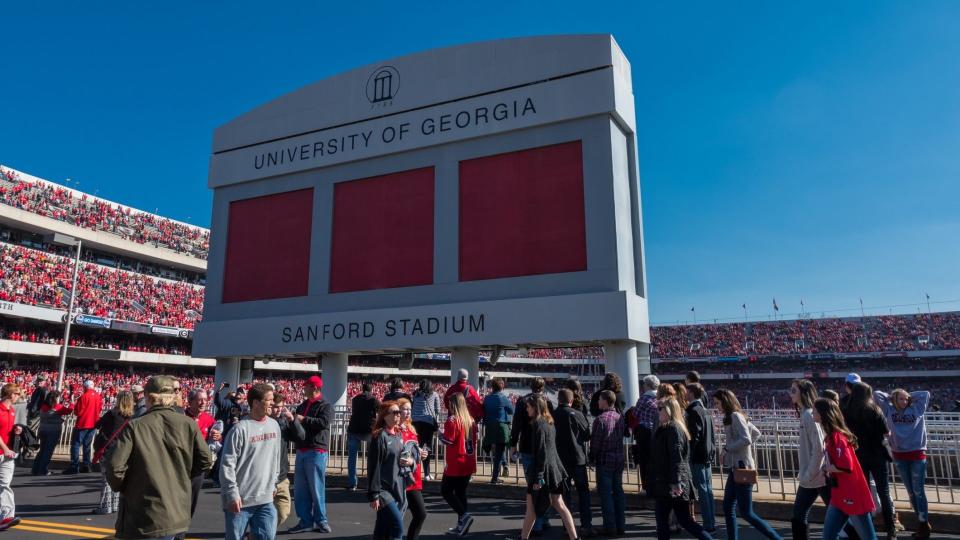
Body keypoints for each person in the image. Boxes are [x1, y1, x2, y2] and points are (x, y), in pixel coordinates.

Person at [105, 375, 213, 539]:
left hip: (143, 512)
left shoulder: (136, 426)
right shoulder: (188, 424)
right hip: (175, 512)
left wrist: (127, 486)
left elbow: (114, 468)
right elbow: (206, 461)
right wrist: (182, 477)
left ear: (149, 397)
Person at [713, 389, 782, 540]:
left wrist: (727, 449)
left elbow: (746, 439)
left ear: (725, 401)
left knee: (746, 512)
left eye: (718, 403)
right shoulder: (738, 415)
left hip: (742, 468)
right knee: (728, 506)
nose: (717, 406)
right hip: (738, 467)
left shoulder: (735, 416)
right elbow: (755, 433)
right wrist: (743, 453)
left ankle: (777, 538)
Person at [219, 383, 283, 540]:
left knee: (267, 536)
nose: (273, 403)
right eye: (269, 400)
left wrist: (274, 482)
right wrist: (232, 494)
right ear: (255, 402)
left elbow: (276, 457)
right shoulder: (240, 429)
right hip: (241, 500)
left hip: (265, 499)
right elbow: (227, 465)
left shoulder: (274, 425)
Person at [517, 394, 580, 540]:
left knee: (531, 508)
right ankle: (574, 537)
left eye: (528, 406)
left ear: (535, 407)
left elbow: (541, 452)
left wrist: (538, 478)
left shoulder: (538, 425)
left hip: (542, 471)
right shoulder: (549, 422)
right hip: (554, 470)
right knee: (560, 505)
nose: (526, 409)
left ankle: (523, 537)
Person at [650, 397, 713, 540]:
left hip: (670, 483)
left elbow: (676, 456)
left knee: (664, 521)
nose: (658, 411)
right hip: (670, 481)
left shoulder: (673, 428)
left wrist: (676, 482)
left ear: (669, 410)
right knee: (683, 520)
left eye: (660, 408)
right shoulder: (671, 427)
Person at [815, 397, 877, 540]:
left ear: (824, 414)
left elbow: (846, 465)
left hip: (852, 493)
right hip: (839, 493)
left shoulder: (837, 437)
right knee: (828, 536)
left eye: (815, 411)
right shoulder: (831, 437)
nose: (813, 413)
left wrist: (829, 468)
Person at [874, 386, 931, 538]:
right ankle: (921, 522)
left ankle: (924, 523)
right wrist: (893, 396)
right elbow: (876, 394)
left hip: (917, 454)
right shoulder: (888, 410)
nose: (905, 401)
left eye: (906, 399)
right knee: (911, 493)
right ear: (894, 400)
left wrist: (906, 394)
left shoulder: (917, 409)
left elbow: (925, 394)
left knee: (919, 491)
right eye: (901, 399)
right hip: (899, 455)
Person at [843, 382, 896, 539]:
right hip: (878, 455)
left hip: (859, 456)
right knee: (883, 492)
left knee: (863, 493)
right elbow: (886, 433)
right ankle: (891, 530)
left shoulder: (847, 411)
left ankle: (867, 528)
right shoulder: (875, 410)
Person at [289, 375, 334, 534]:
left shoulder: (325, 405)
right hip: (302, 449)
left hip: (316, 450)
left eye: (307, 386)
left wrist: (302, 419)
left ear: (314, 388)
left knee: (316, 488)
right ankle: (306, 520)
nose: (304, 388)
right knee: (300, 490)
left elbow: (323, 423)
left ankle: (321, 520)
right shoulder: (303, 405)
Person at [510, 377, 555, 535]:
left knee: (533, 485)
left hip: (528, 446)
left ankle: (537, 524)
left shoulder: (523, 402)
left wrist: (513, 444)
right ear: (543, 387)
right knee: (543, 483)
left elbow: (516, 425)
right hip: (544, 448)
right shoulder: (547, 402)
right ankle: (545, 518)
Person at [788, 379, 828, 540]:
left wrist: (809, 474)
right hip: (815, 475)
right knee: (799, 514)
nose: (791, 394)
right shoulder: (807, 414)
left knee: (838, 516)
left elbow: (819, 447)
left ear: (803, 393)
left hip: (817, 476)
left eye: (793, 390)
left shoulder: (809, 415)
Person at [367, 401, 410, 540]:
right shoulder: (379, 436)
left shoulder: (398, 435)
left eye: (399, 412)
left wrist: (411, 461)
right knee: (398, 526)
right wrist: (374, 494)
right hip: (383, 490)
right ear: (385, 416)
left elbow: (403, 457)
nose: (398, 415)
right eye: (395, 413)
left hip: (395, 486)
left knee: (382, 528)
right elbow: (374, 466)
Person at [554, 388, 593, 537]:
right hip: (578, 458)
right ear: (571, 401)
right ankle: (586, 525)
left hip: (560, 460)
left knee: (565, 495)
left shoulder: (553, 415)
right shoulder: (578, 414)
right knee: (583, 493)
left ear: (558, 400)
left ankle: (567, 526)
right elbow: (587, 435)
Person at [589, 390, 626, 536]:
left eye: (599, 399)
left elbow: (596, 444)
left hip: (605, 460)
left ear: (605, 401)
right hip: (618, 459)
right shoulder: (619, 417)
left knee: (606, 495)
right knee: (618, 492)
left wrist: (592, 457)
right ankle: (620, 525)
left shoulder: (600, 419)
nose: (598, 402)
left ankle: (610, 526)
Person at [440, 392, 478, 536]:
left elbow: (448, 441)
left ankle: (464, 516)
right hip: (468, 461)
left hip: (456, 461)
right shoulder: (471, 420)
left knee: (446, 491)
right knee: (461, 493)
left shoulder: (453, 420)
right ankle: (462, 525)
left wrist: (440, 435)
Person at [93, 390, 134, 515]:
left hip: (108, 449)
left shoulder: (111, 414)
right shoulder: (132, 417)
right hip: (122, 451)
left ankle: (105, 506)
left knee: (106, 479)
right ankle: (115, 505)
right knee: (116, 478)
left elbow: (97, 424)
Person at [184, 388, 219, 530]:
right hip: (181, 466)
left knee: (192, 501)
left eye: (205, 399)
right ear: (190, 401)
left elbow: (215, 436)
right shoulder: (181, 416)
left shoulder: (209, 419)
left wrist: (218, 436)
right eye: (200, 399)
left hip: (198, 468)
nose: (203, 402)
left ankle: (183, 529)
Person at [685, 383, 715, 533]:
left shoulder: (694, 410)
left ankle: (708, 524)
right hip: (707, 455)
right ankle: (711, 523)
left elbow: (694, 436)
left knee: (702, 490)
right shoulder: (705, 410)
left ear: (691, 393)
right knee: (708, 490)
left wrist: (688, 452)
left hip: (698, 456)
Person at [397, 398, 429, 540]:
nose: (408, 411)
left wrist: (422, 453)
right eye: (405, 408)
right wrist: (408, 460)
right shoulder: (395, 430)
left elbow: (414, 451)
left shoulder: (411, 428)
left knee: (420, 514)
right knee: (396, 516)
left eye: (410, 409)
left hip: (413, 478)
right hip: (401, 479)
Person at [270, 392, 300, 529]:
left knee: (283, 511)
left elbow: (300, 437)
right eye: (275, 407)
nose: (278, 410)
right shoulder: (260, 422)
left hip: (281, 475)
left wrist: (292, 421)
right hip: (265, 476)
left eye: (281, 407)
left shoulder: (283, 423)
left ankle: (258, 533)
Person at [628, 374, 660, 492]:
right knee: (654, 459)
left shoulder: (644, 398)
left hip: (644, 431)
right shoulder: (660, 397)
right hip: (656, 431)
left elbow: (635, 414)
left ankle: (646, 486)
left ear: (647, 385)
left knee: (644, 460)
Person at [346, 382, 380, 490]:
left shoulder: (355, 399)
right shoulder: (374, 400)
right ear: (371, 390)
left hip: (354, 429)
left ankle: (353, 483)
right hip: (369, 430)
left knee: (352, 458)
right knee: (372, 456)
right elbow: (381, 410)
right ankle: (371, 482)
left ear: (362, 389)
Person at [31, 392, 72, 476]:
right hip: (53, 430)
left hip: (43, 429)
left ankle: (35, 469)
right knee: (48, 451)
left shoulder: (43, 406)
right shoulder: (57, 407)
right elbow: (69, 411)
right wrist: (71, 403)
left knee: (42, 450)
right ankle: (42, 470)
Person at [482, 378, 513, 484]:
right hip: (501, 427)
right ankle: (495, 477)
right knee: (499, 452)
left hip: (490, 427)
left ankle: (503, 466)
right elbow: (511, 410)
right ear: (502, 387)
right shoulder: (503, 398)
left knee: (497, 451)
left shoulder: (487, 398)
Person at [66, 380, 102, 474]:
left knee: (76, 445)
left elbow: (78, 412)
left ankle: (74, 466)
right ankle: (86, 465)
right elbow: (99, 410)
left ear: (86, 387)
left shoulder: (84, 396)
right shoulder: (98, 397)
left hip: (82, 423)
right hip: (93, 424)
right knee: (87, 445)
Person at [0, 384, 22, 531]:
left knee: (4, 485)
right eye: (17, 393)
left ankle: (6, 517)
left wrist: (17, 431)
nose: (19, 396)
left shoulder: (12, 411)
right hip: (4, 451)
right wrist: (5, 448)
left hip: (7, 455)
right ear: (10, 394)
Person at [412, 379, 442, 481]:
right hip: (428, 423)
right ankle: (427, 473)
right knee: (427, 448)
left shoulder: (415, 394)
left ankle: (414, 472)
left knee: (416, 448)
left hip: (415, 423)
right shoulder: (434, 394)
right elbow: (438, 410)